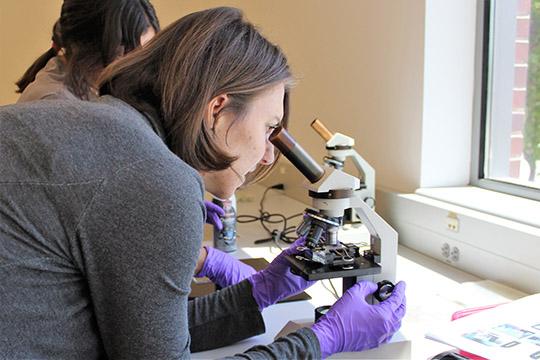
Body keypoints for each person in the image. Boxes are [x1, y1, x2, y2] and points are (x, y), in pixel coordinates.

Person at [0, 6, 406, 359]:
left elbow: (150, 339)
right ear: (218, 110)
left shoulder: (109, 129)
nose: (268, 155)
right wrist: (322, 340)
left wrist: (262, 290)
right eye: (269, 128)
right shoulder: (153, 178)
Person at [16, 0, 159, 103]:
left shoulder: (87, 87)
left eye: (142, 54)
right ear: (82, 46)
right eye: (124, 54)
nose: (134, 67)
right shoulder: (55, 104)